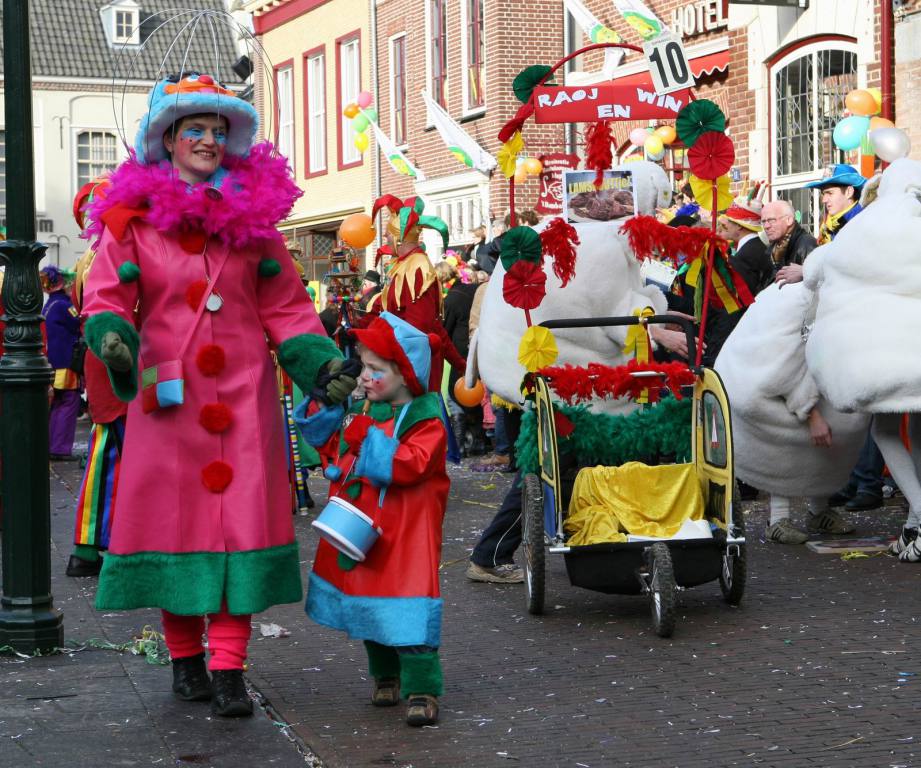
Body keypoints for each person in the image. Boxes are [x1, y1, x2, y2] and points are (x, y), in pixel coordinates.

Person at [81, 72, 358, 717]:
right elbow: (107, 296)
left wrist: (318, 363)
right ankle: (185, 662)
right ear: (168, 139)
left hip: (243, 395)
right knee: (171, 526)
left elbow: (286, 308)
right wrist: (113, 337)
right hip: (166, 399)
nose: (208, 139)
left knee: (243, 526)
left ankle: (229, 668)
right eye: (195, 129)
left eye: (217, 130)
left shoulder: (254, 225)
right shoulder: (132, 222)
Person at [305, 312, 448, 727]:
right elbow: (330, 447)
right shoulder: (363, 408)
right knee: (369, 606)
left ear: (405, 373)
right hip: (364, 528)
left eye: (375, 369)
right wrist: (323, 405)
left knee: (409, 610)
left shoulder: (426, 418)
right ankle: (385, 675)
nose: (364, 377)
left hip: (406, 534)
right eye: (364, 367)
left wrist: (366, 438)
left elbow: (412, 463)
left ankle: (422, 688)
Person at [802, 166, 884, 513]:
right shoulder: (837, 225)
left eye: (830, 192)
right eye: (823, 193)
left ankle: (868, 484)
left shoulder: (859, 223)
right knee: (849, 405)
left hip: (866, 323)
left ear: (850, 192)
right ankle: (854, 479)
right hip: (846, 322)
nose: (824, 199)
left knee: (866, 408)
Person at [439, 260, 486, 456]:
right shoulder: (472, 289)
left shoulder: (451, 299)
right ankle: (477, 439)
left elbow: (445, 330)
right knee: (473, 390)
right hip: (478, 346)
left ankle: (462, 442)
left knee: (456, 391)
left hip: (461, 351)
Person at [41, 265, 82, 461]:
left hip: (53, 363)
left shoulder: (48, 305)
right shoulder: (65, 305)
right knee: (69, 402)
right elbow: (79, 323)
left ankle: (52, 445)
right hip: (66, 362)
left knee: (58, 403)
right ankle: (60, 448)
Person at [761, 200, 817, 286]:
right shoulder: (771, 249)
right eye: (763, 222)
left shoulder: (806, 244)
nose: (766, 226)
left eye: (771, 220)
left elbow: (815, 283)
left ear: (789, 220)